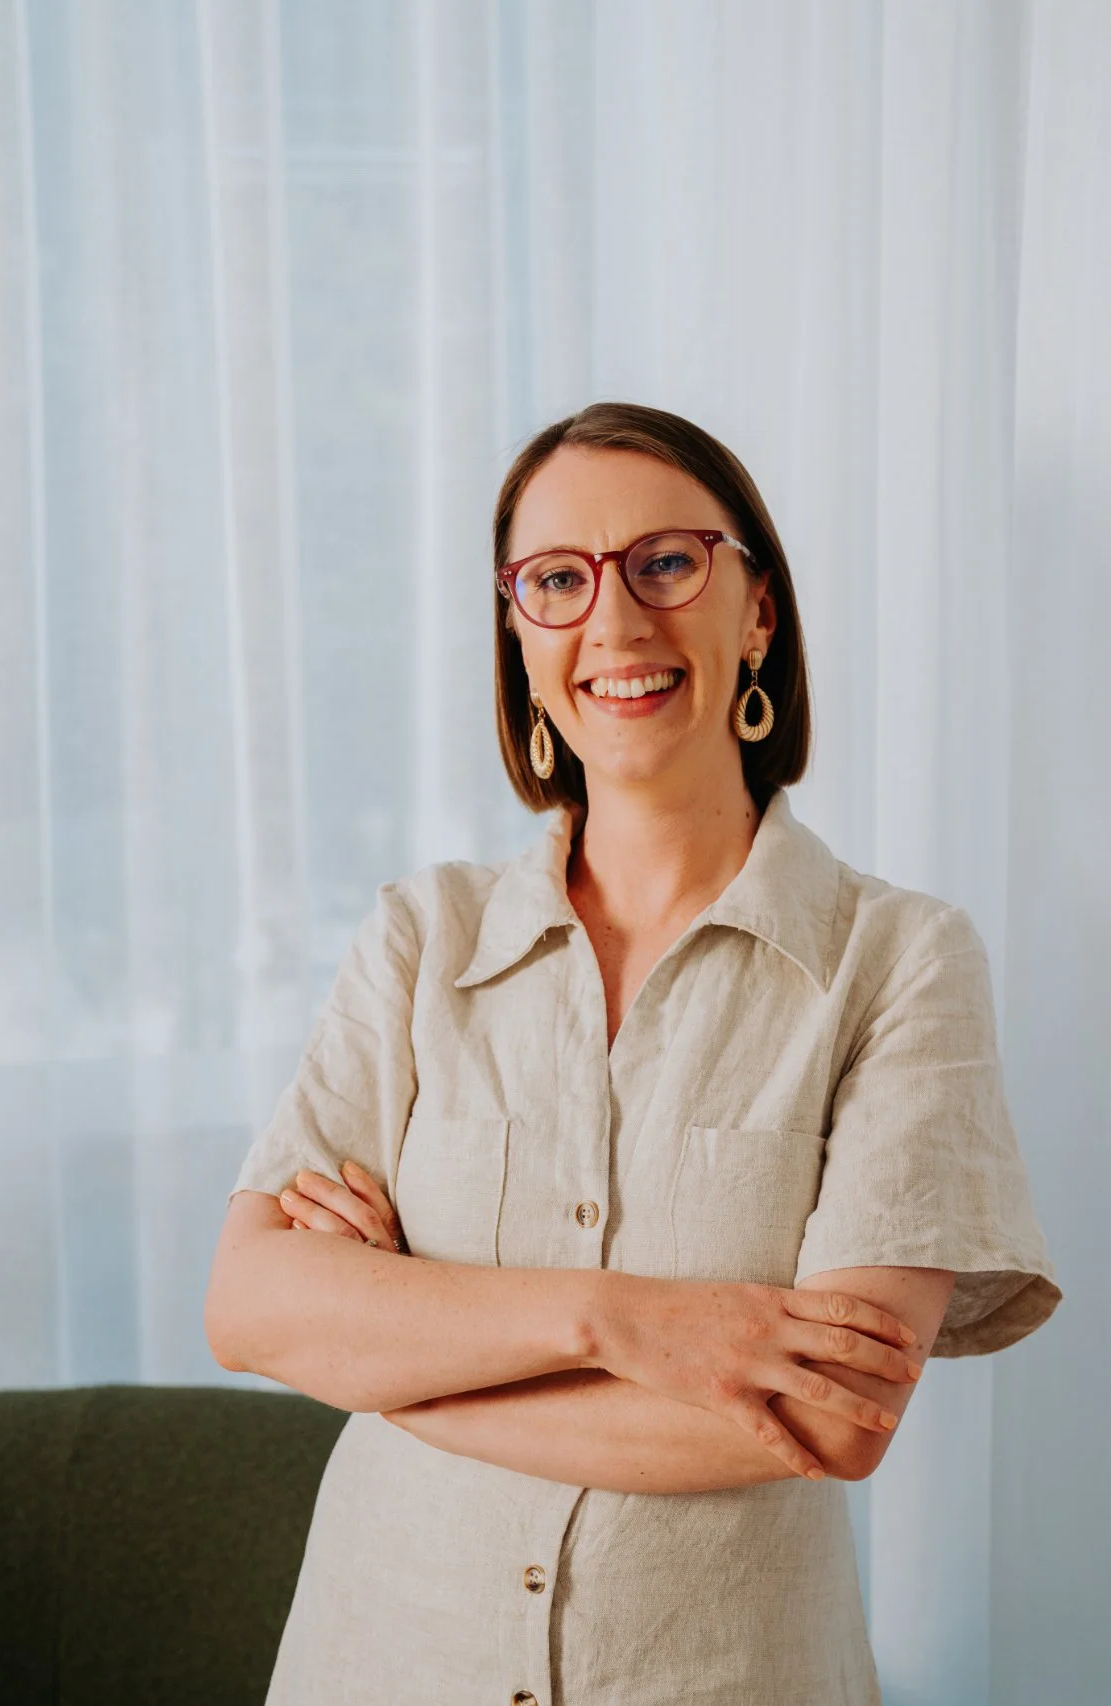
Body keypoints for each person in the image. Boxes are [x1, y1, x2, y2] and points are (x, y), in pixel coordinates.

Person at [205, 401, 1062, 1706]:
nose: (613, 621)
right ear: (519, 635)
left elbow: (831, 1414)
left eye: (666, 562)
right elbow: (250, 1304)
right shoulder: (422, 938)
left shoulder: (901, 961)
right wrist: (624, 1321)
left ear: (757, 611)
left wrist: (395, 1367)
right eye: (557, 580)